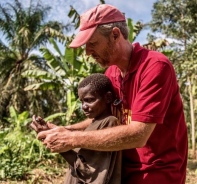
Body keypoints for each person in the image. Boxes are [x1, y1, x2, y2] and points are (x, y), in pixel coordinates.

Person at [31, 4, 188, 184]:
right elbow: (102, 119)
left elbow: (139, 134)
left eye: (93, 43)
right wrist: (62, 130)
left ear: (115, 34)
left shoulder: (155, 66)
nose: (88, 52)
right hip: (121, 169)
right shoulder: (111, 74)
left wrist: (70, 139)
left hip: (157, 171)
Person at [32, 73, 122, 184]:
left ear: (108, 97)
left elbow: (88, 172)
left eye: (90, 100)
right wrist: (49, 133)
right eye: (82, 101)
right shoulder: (93, 123)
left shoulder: (109, 122)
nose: (84, 106)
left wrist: (61, 146)